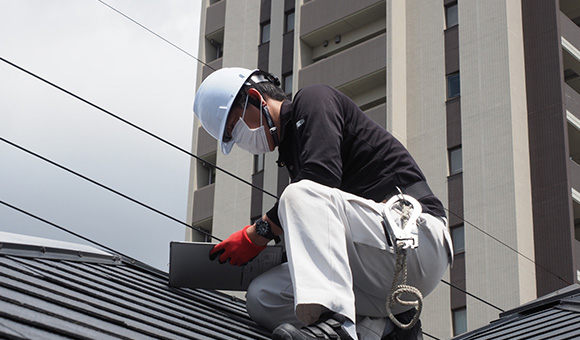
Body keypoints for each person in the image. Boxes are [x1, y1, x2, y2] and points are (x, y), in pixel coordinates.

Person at [193, 67, 453, 340]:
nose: (241, 139)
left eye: (235, 126)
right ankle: (385, 327)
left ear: (256, 98)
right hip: (377, 275)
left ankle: (335, 326)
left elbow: (321, 177)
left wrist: (257, 234)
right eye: (233, 137)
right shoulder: (293, 155)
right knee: (262, 296)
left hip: (416, 241)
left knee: (299, 194)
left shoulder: (313, 99)